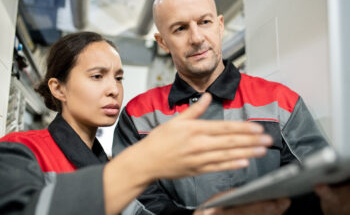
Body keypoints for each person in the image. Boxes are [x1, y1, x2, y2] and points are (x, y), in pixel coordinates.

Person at [112, 0, 336, 214]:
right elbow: (132, 199)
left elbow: (318, 186)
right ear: (162, 42)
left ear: (220, 25)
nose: (196, 38)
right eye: (180, 28)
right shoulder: (138, 115)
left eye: (204, 22)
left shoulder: (280, 102)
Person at [0, 31, 278, 215]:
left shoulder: (108, 165)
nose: (113, 89)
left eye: (118, 78)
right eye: (97, 76)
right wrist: (145, 162)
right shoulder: (20, 149)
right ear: (58, 89)